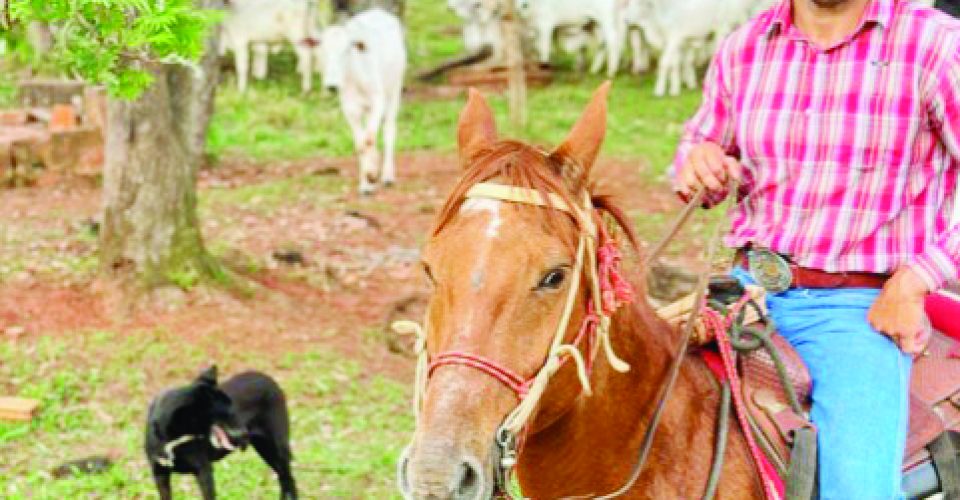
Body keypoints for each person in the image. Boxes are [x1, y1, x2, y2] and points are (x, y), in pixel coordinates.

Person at [671, 0, 960, 497]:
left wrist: (916, 279)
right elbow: (704, 142)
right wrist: (699, 160)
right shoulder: (746, 46)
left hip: (859, 306)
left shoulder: (933, 44)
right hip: (745, 289)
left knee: (855, 489)